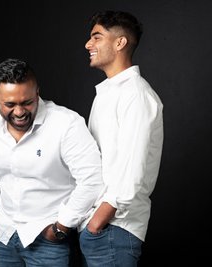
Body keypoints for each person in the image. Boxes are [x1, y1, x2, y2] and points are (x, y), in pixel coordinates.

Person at [0, 58, 104, 267]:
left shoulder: (66, 124)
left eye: (27, 102)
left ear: (37, 93)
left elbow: (92, 180)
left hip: (48, 239)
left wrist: (61, 228)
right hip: (2, 234)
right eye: (9, 104)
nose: (19, 112)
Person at [80, 10, 164, 266]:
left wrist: (98, 222)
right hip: (98, 228)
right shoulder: (107, 93)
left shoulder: (135, 95)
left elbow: (132, 170)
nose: (88, 44)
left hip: (114, 229)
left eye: (96, 37)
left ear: (120, 43)